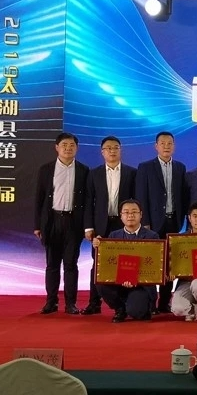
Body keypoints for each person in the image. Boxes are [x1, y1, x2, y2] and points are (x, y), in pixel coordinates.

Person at [34, 132, 89, 315]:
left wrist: (87, 226)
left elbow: (88, 200)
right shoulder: (46, 169)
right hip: (52, 221)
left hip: (74, 222)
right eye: (64, 145)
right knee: (52, 264)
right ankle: (51, 302)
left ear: (77, 148)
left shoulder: (83, 170)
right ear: (57, 147)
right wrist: (37, 225)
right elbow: (39, 199)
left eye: (72, 145)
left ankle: (70, 303)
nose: (68, 148)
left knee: (71, 264)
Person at [82, 136, 137, 316]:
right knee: (98, 264)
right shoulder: (94, 173)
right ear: (102, 152)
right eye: (108, 148)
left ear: (121, 150)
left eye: (115, 148)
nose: (112, 151)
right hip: (101, 225)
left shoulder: (131, 172)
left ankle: (125, 303)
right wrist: (88, 227)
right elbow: (88, 201)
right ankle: (94, 303)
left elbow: (136, 201)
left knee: (125, 262)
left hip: (124, 224)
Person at [135, 131, 188, 314]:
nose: (166, 146)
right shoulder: (145, 167)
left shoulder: (180, 167)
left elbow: (182, 195)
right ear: (156, 146)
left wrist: (182, 219)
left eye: (170, 143)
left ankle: (164, 302)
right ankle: (150, 303)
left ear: (174, 146)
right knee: (150, 263)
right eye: (163, 143)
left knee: (170, 262)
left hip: (173, 221)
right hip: (152, 223)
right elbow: (141, 196)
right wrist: (145, 222)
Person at [92, 199, 158, 323]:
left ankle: (143, 307)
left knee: (136, 312)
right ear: (121, 215)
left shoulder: (152, 236)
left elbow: (153, 267)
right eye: (126, 212)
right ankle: (120, 309)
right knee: (100, 281)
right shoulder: (113, 236)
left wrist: (135, 280)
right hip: (119, 283)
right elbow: (108, 263)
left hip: (141, 286)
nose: (130, 215)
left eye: (134, 212)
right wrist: (99, 246)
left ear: (141, 214)